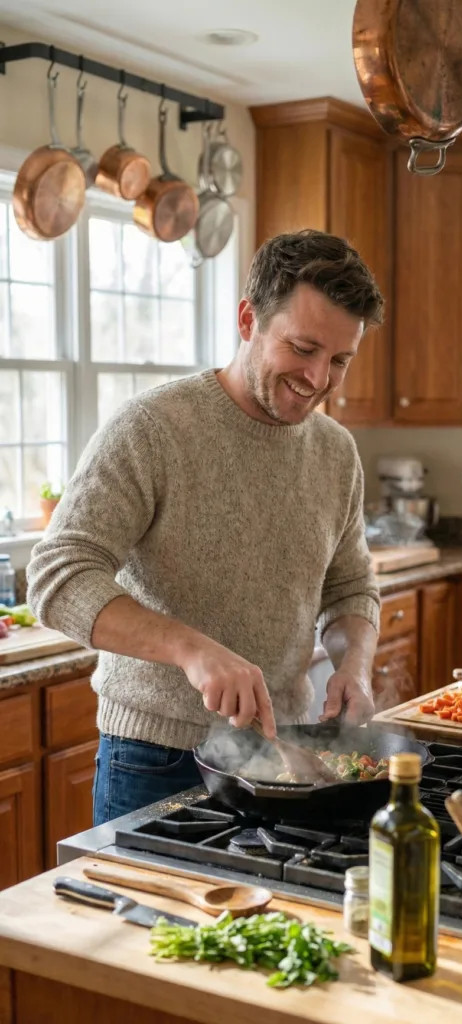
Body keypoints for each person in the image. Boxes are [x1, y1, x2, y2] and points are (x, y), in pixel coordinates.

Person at [27, 229, 383, 825]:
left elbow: (350, 589)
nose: (320, 378)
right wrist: (191, 649)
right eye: (303, 348)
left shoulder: (336, 452)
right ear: (249, 319)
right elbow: (57, 576)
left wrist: (354, 665)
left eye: (340, 360)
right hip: (157, 760)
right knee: (151, 922)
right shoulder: (152, 428)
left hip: (282, 754)